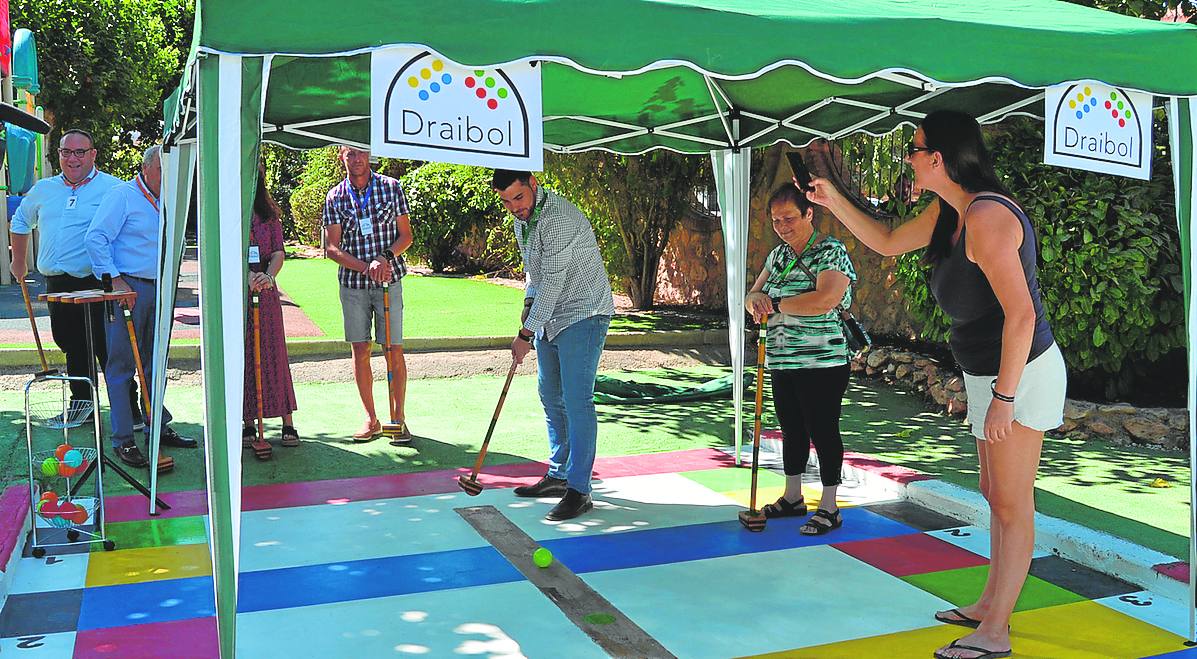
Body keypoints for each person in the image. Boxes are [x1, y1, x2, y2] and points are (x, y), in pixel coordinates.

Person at [806, 110, 1065, 659]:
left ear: (939, 159)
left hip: (1021, 371)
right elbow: (888, 240)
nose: (908, 156)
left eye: (914, 148)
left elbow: (1020, 317)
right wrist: (834, 201)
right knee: (995, 496)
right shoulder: (951, 210)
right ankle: (990, 605)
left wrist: (1004, 399)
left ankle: (996, 633)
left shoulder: (988, 218)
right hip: (986, 371)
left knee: (1014, 504)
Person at [492, 169, 615, 521]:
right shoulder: (523, 221)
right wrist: (529, 307)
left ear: (533, 184)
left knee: (578, 400)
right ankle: (559, 475)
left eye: (518, 197)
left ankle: (579, 489)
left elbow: (555, 284)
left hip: (584, 311)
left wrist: (525, 334)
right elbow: (535, 274)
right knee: (550, 394)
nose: (514, 207)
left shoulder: (558, 218)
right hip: (551, 314)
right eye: (506, 202)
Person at [744, 185, 856, 536]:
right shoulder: (778, 256)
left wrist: (774, 304)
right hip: (781, 357)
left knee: (823, 428)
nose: (782, 226)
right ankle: (793, 497)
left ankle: (829, 505)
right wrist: (755, 301)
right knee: (791, 427)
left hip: (823, 360)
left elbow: (824, 299)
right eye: (776, 220)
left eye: (789, 218)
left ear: (810, 213)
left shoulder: (831, 252)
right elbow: (753, 293)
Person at [9, 129, 140, 423]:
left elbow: (132, 229)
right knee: (71, 345)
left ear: (93, 154)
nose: (73, 158)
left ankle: (130, 412)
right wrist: (18, 262)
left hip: (100, 283)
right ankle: (82, 408)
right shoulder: (43, 189)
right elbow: (20, 222)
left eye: (80, 152)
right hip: (58, 284)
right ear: (58, 155)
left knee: (110, 349)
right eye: (66, 152)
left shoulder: (114, 189)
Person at [85, 145, 197, 468]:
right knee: (121, 366)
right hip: (129, 289)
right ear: (147, 169)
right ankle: (123, 440)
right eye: (163, 170)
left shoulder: (170, 200)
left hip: (160, 289)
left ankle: (156, 428)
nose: (168, 177)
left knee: (155, 363)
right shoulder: (123, 196)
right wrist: (115, 281)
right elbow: (96, 238)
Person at [322, 146, 413, 444]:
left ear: (369, 156)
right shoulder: (335, 197)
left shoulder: (391, 187)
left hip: (389, 281)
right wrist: (367, 267)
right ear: (342, 157)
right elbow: (332, 248)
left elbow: (406, 236)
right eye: (351, 154)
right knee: (360, 350)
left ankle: (398, 419)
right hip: (353, 284)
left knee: (393, 349)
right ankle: (371, 419)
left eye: (362, 153)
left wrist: (384, 258)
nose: (357, 159)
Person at [243, 164, 299, 448]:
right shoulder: (229, 211)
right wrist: (246, 275)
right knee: (246, 354)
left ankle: (287, 421)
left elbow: (278, 252)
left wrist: (267, 275)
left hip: (266, 292)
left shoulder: (269, 215)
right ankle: (248, 422)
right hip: (239, 294)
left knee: (274, 352)